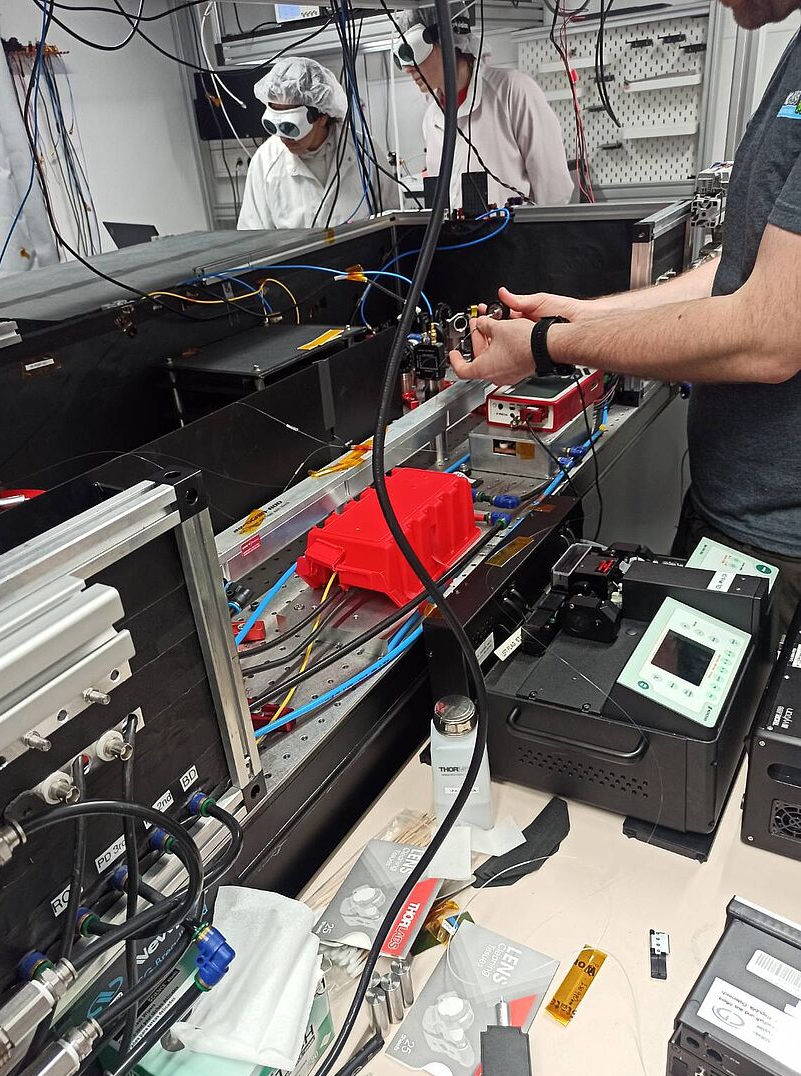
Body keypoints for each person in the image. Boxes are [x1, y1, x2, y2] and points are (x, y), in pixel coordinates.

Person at [448, 0, 801, 629]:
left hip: (778, 545)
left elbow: (769, 335)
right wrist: (579, 317)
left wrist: (547, 345)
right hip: (741, 515)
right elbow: (735, 278)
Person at [393, 5, 573, 209]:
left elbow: (554, 190)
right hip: (462, 239)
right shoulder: (432, 117)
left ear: (448, 38)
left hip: (517, 238)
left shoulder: (513, 91)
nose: (407, 69)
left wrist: (534, 239)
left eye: (413, 51)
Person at [238, 57, 388, 230]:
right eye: (273, 126)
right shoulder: (265, 161)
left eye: (290, 126)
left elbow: (392, 217)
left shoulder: (364, 151)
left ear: (323, 116)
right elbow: (254, 234)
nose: (283, 138)